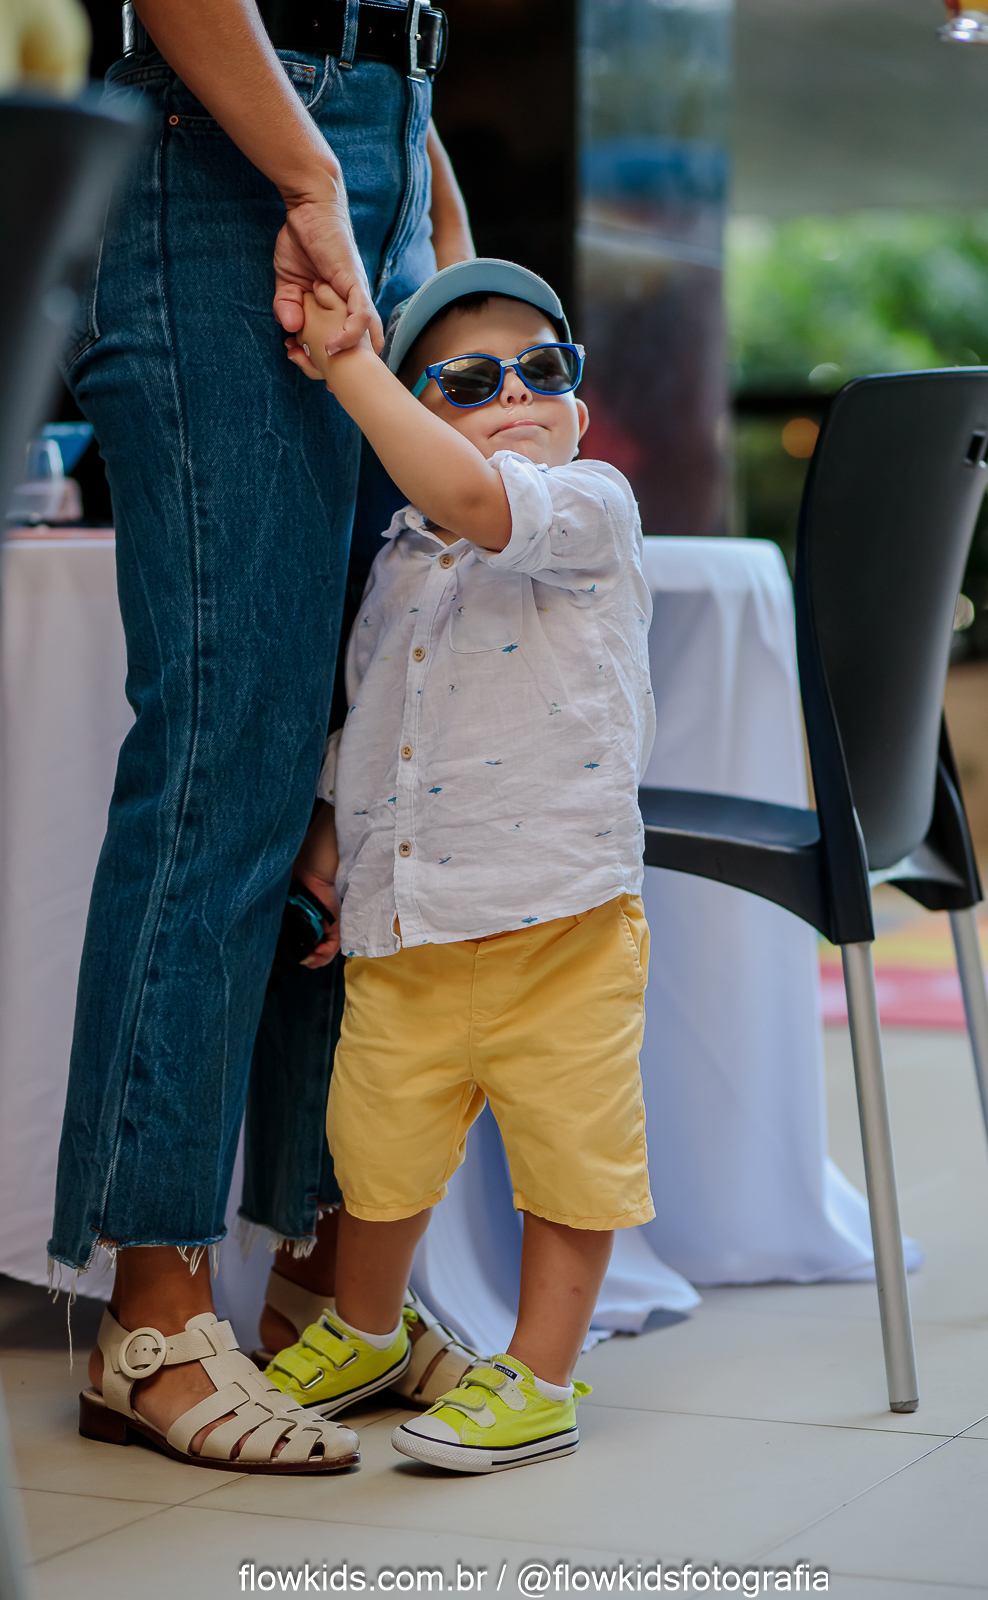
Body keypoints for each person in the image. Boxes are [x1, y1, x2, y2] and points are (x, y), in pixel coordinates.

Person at [52, 0, 474, 1474]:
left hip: (379, 131)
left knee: (368, 769)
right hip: (230, 157)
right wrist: (313, 175)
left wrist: (429, 209)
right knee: (230, 756)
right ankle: (152, 1320)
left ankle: (325, 1283)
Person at [263, 259, 657, 1473]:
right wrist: (333, 838)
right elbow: (375, 713)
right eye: (472, 382)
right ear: (413, 420)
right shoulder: (398, 557)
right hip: (412, 924)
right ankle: (367, 1329)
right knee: (374, 1149)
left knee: (570, 1155)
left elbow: (482, 499)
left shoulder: (587, 506)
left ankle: (539, 1372)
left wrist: (348, 364)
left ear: (577, 404)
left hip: (562, 924)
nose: (517, 393)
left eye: (543, 368)